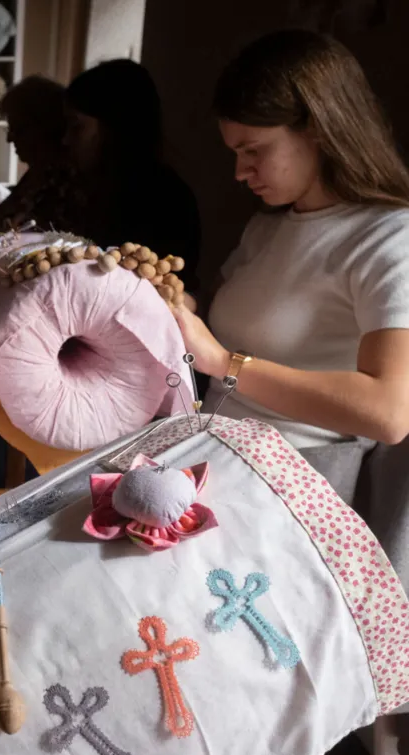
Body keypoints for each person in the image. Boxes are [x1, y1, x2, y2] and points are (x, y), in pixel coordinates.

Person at [175, 30, 409, 495]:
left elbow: (389, 412)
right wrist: (175, 304)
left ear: (319, 129)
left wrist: (225, 362)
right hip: (213, 454)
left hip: (295, 485)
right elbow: (215, 321)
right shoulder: (268, 228)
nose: (240, 173)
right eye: (235, 153)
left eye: (254, 150)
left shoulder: (390, 238)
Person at [63, 59, 203, 293]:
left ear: (114, 128)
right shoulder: (95, 188)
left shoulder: (163, 201)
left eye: (76, 126)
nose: (66, 139)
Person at [0, 75, 83, 233]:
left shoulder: (64, 182)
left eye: (18, 130)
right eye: (9, 129)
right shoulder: (38, 172)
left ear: (46, 128)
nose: (9, 138)